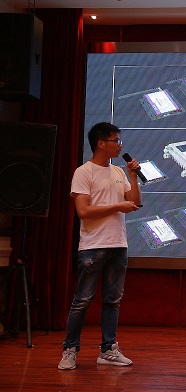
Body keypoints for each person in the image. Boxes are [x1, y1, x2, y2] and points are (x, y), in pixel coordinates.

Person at [58, 122, 142, 370]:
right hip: (93, 246)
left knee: (112, 300)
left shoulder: (118, 172)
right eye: (116, 141)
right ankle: (70, 350)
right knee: (82, 300)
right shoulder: (84, 172)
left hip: (118, 244)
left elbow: (135, 202)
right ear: (101, 144)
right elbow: (83, 211)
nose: (120, 146)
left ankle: (108, 350)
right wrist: (117, 206)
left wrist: (133, 176)